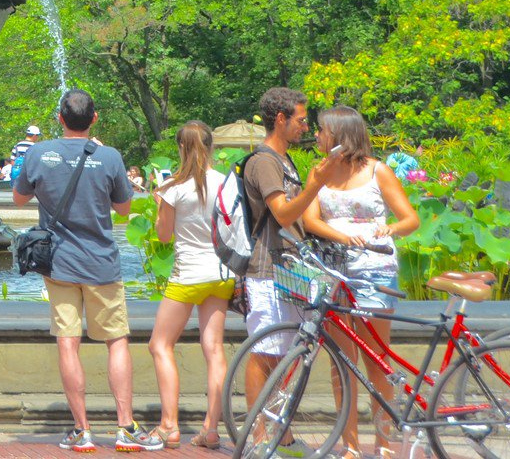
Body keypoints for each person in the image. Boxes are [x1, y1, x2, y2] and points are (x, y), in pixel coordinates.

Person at [13, 90, 161, 452]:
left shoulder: (38, 153)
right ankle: (125, 427)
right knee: (116, 342)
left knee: (68, 343)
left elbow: (18, 198)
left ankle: (82, 430)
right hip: (102, 264)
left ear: (59, 118)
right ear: (94, 118)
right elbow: (125, 209)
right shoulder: (109, 157)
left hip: (59, 264)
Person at [301, 106, 419, 459]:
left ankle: (384, 443)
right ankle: (350, 444)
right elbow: (310, 220)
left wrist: (390, 228)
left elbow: (410, 218)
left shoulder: (377, 170)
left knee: (376, 359)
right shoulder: (319, 172)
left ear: (339, 134)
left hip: (373, 268)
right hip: (334, 269)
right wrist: (337, 234)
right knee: (341, 361)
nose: (317, 137)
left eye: (322, 131)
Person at [239, 87, 340, 438]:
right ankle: (260, 435)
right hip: (267, 270)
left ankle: (279, 430)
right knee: (265, 354)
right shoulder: (265, 161)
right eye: (299, 120)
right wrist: (314, 186)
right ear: (279, 119)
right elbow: (282, 213)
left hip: (289, 270)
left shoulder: (284, 160)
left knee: (286, 354)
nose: (306, 127)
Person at [146, 122, 235, 451]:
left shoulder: (174, 188)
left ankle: (169, 425)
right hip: (221, 274)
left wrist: (160, 207)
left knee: (160, 345)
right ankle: (211, 428)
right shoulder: (226, 184)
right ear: (210, 147)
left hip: (188, 276)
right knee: (214, 350)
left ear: (181, 148)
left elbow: (165, 236)